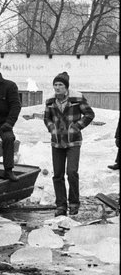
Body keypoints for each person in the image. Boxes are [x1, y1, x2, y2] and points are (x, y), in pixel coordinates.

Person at [43, 71, 94, 216]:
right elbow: (47, 118)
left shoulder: (77, 98)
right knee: (57, 174)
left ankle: (74, 203)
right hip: (57, 142)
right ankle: (61, 205)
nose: (57, 87)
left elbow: (89, 114)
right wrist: (51, 128)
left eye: (60, 85)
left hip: (73, 141)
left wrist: (76, 126)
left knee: (71, 172)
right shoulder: (50, 101)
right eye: (55, 84)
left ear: (66, 87)